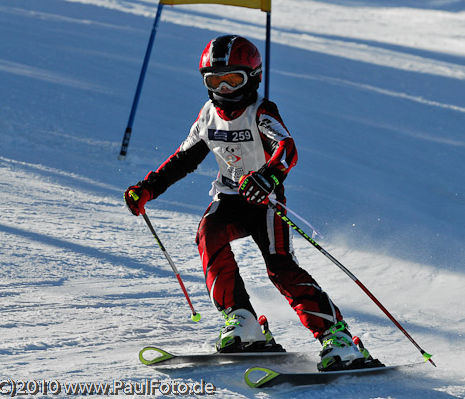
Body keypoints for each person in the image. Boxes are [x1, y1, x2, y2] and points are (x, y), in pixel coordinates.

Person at [124, 35, 380, 371]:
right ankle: (242, 321)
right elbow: (183, 159)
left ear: (253, 78)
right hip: (229, 199)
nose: (225, 89)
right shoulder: (208, 116)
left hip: (265, 202)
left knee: (280, 268)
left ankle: (338, 339)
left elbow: (286, 148)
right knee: (208, 234)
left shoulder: (260, 111)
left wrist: (268, 177)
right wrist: (148, 188)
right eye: (216, 80)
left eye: (234, 80)